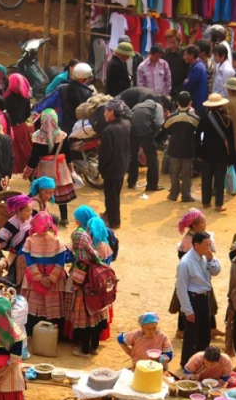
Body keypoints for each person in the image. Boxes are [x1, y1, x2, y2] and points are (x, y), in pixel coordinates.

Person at [20, 212, 71, 334]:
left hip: (33, 279)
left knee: (33, 305)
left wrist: (38, 277)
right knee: (53, 307)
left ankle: (32, 332)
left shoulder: (29, 240)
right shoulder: (58, 241)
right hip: (55, 280)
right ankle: (54, 334)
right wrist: (51, 278)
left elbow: (29, 261)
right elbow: (60, 262)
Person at [175, 231, 221, 365]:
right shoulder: (185, 263)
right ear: (196, 245)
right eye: (206, 245)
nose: (209, 247)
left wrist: (212, 260)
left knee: (205, 333)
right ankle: (186, 364)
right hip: (192, 299)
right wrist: (188, 310)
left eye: (210, 244)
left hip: (204, 298)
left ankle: (202, 362)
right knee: (191, 335)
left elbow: (216, 271)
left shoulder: (206, 257)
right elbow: (181, 289)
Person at [23, 108, 75, 223]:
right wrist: (71, 169)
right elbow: (68, 155)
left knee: (42, 192)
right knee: (61, 192)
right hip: (60, 168)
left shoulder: (38, 138)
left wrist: (27, 172)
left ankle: (40, 215)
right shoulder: (62, 136)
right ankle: (64, 218)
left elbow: (34, 159)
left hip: (44, 169)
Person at [66, 226, 109, 357]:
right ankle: (94, 348)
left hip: (85, 298)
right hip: (98, 297)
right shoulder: (95, 255)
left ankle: (84, 351)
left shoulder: (81, 261)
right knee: (96, 324)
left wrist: (72, 283)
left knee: (87, 326)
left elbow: (77, 282)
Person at [199, 94, 236, 212]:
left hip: (206, 152)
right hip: (221, 154)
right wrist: (232, 157)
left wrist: (198, 152)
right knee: (220, 179)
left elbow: (197, 136)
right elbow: (231, 140)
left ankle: (206, 203)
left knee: (206, 179)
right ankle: (218, 205)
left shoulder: (205, 118)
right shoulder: (227, 119)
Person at [99, 99, 130, 229]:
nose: (105, 113)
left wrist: (101, 168)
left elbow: (105, 153)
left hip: (111, 169)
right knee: (115, 195)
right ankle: (109, 215)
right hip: (122, 166)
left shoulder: (109, 130)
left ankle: (114, 222)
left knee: (111, 197)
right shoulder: (126, 124)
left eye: (106, 111)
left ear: (112, 112)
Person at [164, 91, 200, 202]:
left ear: (177, 103)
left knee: (174, 172)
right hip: (188, 150)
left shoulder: (171, 117)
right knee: (186, 174)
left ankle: (173, 194)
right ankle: (186, 196)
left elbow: (165, 129)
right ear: (190, 103)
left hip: (174, 149)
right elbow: (198, 134)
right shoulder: (195, 119)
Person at [128, 93, 164, 192]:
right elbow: (159, 123)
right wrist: (153, 135)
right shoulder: (157, 106)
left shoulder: (136, 106)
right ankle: (152, 185)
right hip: (146, 133)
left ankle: (131, 182)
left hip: (132, 133)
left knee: (133, 157)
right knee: (153, 159)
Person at [0, 194, 33, 284]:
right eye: (27, 211)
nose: (30, 213)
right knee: (14, 275)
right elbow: (0, 239)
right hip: (16, 254)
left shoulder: (29, 219)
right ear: (19, 211)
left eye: (30, 210)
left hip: (28, 252)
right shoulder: (12, 223)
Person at [5, 73, 33, 176]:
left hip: (11, 128)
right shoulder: (26, 97)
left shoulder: (7, 97)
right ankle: (29, 169)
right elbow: (27, 114)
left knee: (13, 150)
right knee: (25, 149)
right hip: (22, 127)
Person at [181, 42, 210, 116]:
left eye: (185, 55)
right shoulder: (197, 65)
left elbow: (188, 84)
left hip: (197, 102)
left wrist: (185, 82)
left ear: (192, 55)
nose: (184, 57)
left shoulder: (197, 68)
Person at [164, 29, 189, 98]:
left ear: (179, 42)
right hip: (167, 88)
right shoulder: (165, 54)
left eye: (174, 42)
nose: (171, 45)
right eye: (169, 43)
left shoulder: (184, 53)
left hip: (181, 88)